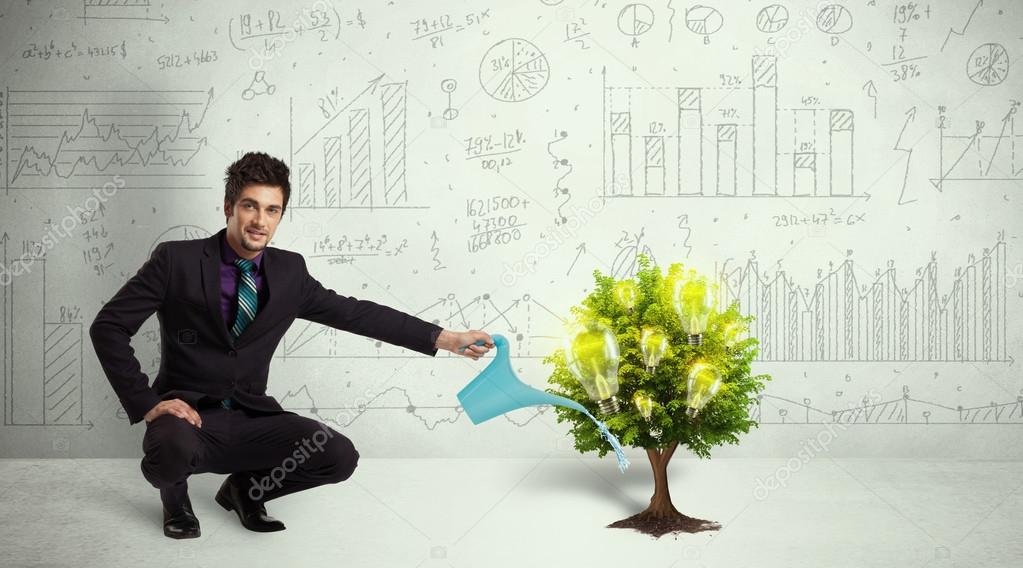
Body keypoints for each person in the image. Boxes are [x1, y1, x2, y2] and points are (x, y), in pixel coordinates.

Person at [89, 151, 493, 539]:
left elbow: (356, 314)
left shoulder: (290, 271)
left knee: (339, 455)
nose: (259, 220)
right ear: (228, 206)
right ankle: (175, 499)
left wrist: (445, 338)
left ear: (281, 214)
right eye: (250, 206)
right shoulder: (176, 260)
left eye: (272, 210)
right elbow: (108, 326)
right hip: (187, 418)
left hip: (251, 417)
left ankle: (247, 490)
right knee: (168, 455)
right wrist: (146, 403)